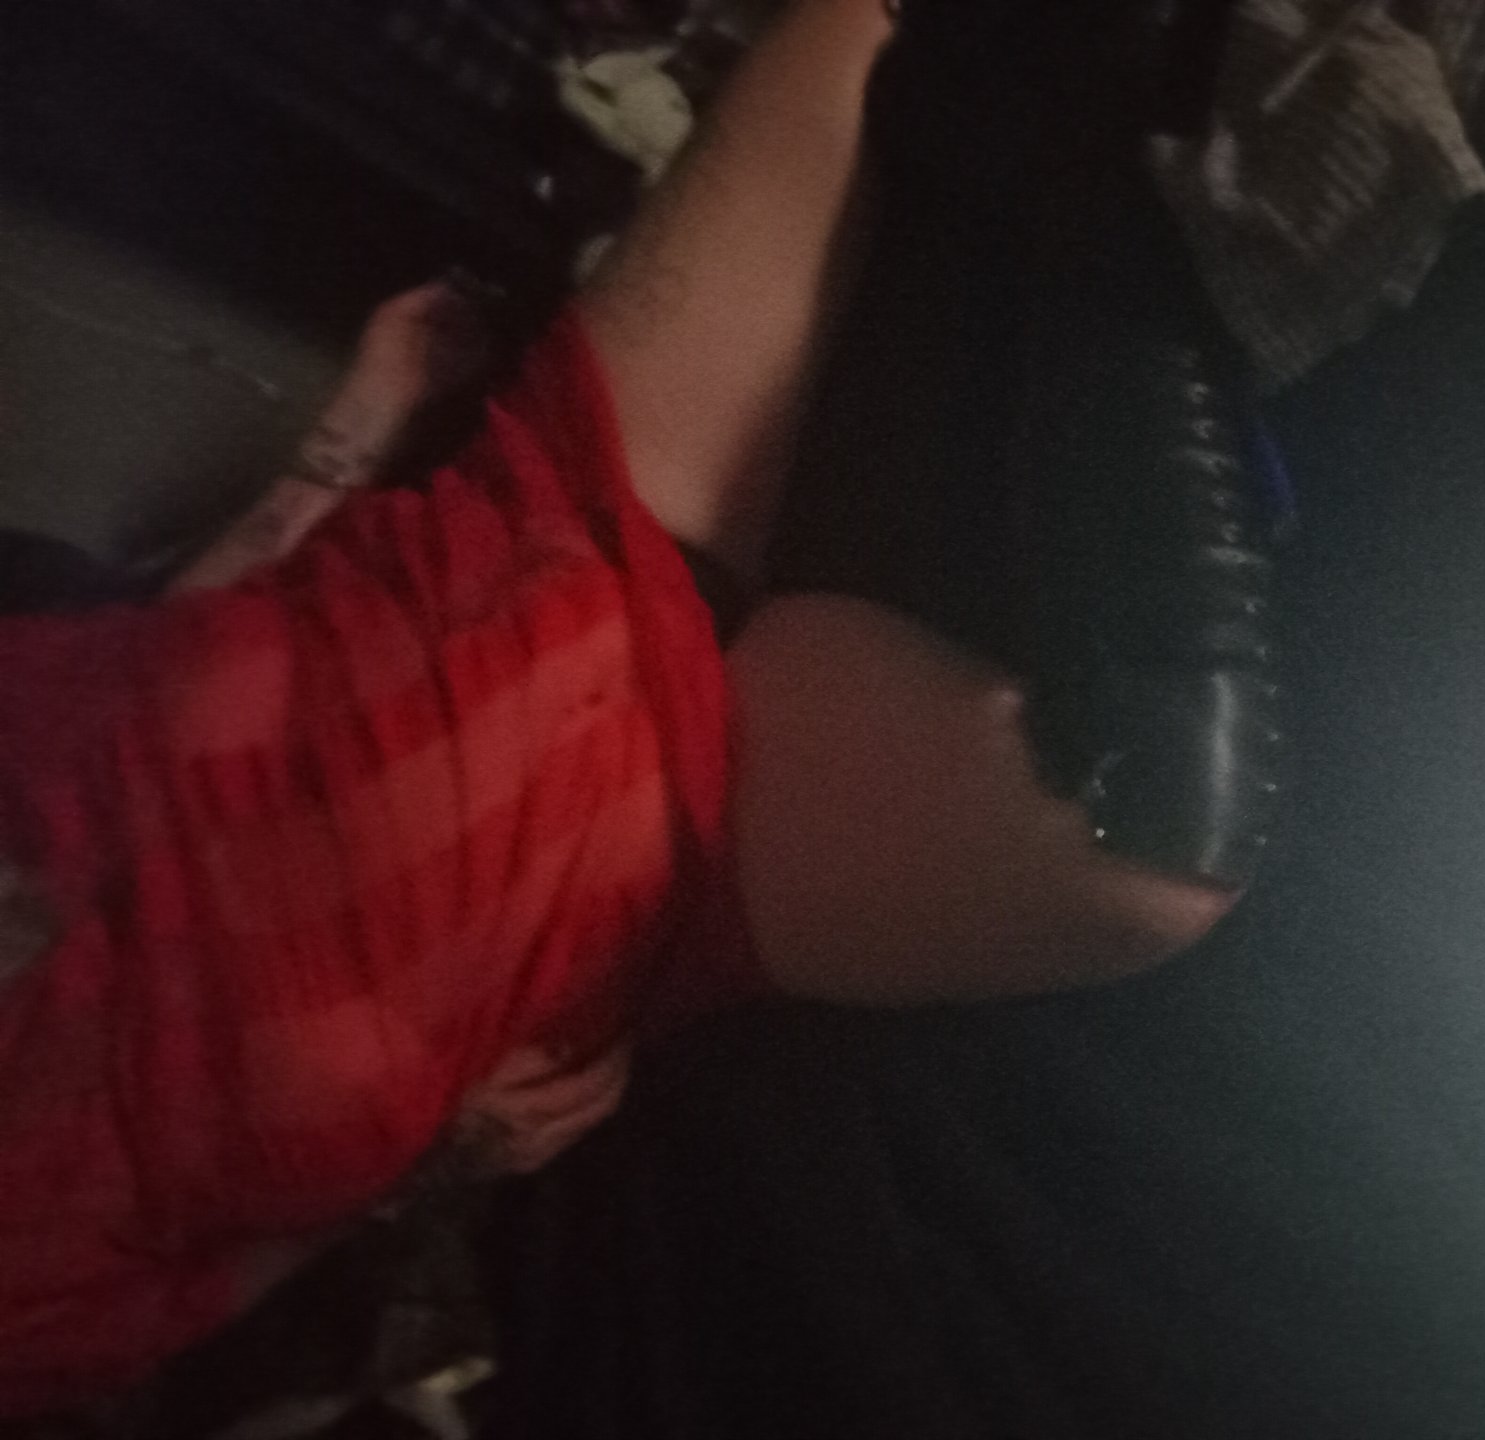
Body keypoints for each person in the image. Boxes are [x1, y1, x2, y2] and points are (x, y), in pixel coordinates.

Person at [0, 0, 1241, 1416]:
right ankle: (1210, 218)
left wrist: (360, 419)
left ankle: (1194, 147)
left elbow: (151, 653)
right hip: (639, 882)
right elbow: (259, 1285)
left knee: (871, 31)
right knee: (1155, 833)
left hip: (530, 532)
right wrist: (441, 1161)